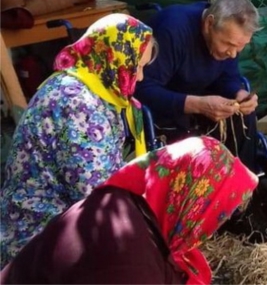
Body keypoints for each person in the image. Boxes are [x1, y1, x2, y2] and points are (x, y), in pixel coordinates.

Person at [0, 14, 156, 265]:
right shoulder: (80, 104)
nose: (140, 78)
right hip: (37, 234)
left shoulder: (87, 84)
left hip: (46, 220)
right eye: (135, 66)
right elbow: (94, 197)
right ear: (113, 58)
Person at [0, 136, 258, 284]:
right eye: (216, 216)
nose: (211, 231)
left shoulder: (124, 204)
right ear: (191, 202)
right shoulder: (128, 257)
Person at [135, 0, 261, 169]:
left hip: (200, 102)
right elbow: (142, 89)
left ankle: (242, 185)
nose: (232, 54)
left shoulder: (229, 38)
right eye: (228, 45)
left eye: (240, 47)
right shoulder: (173, 30)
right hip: (164, 111)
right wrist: (198, 105)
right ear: (209, 24)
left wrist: (238, 94)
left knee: (244, 117)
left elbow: (227, 76)